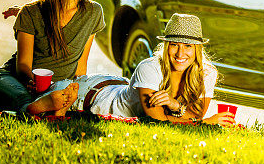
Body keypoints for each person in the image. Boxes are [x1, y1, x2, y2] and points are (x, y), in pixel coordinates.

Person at [26, 13, 235, 125]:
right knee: (27, 102)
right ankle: (44, 101)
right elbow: (157, 120)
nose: (180, 53)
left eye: (187, 46)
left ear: (197, 49)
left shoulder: (207, 73)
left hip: (119, 85)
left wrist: (173, 104)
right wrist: (203, 123)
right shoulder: (150, 67)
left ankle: (52, 104)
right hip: (92, 95)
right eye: (174, 45)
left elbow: (194, 114)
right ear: (166, 46)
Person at [0, 0, 104, 115]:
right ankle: (35, 107)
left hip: (58, 89)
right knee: (21, 96)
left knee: (56, 97)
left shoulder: (93, 12)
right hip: (14, 81)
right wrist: (31, 82)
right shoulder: (31, 12)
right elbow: (23, 65)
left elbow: (80, 65)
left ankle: (45, 105)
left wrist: (72, 91)